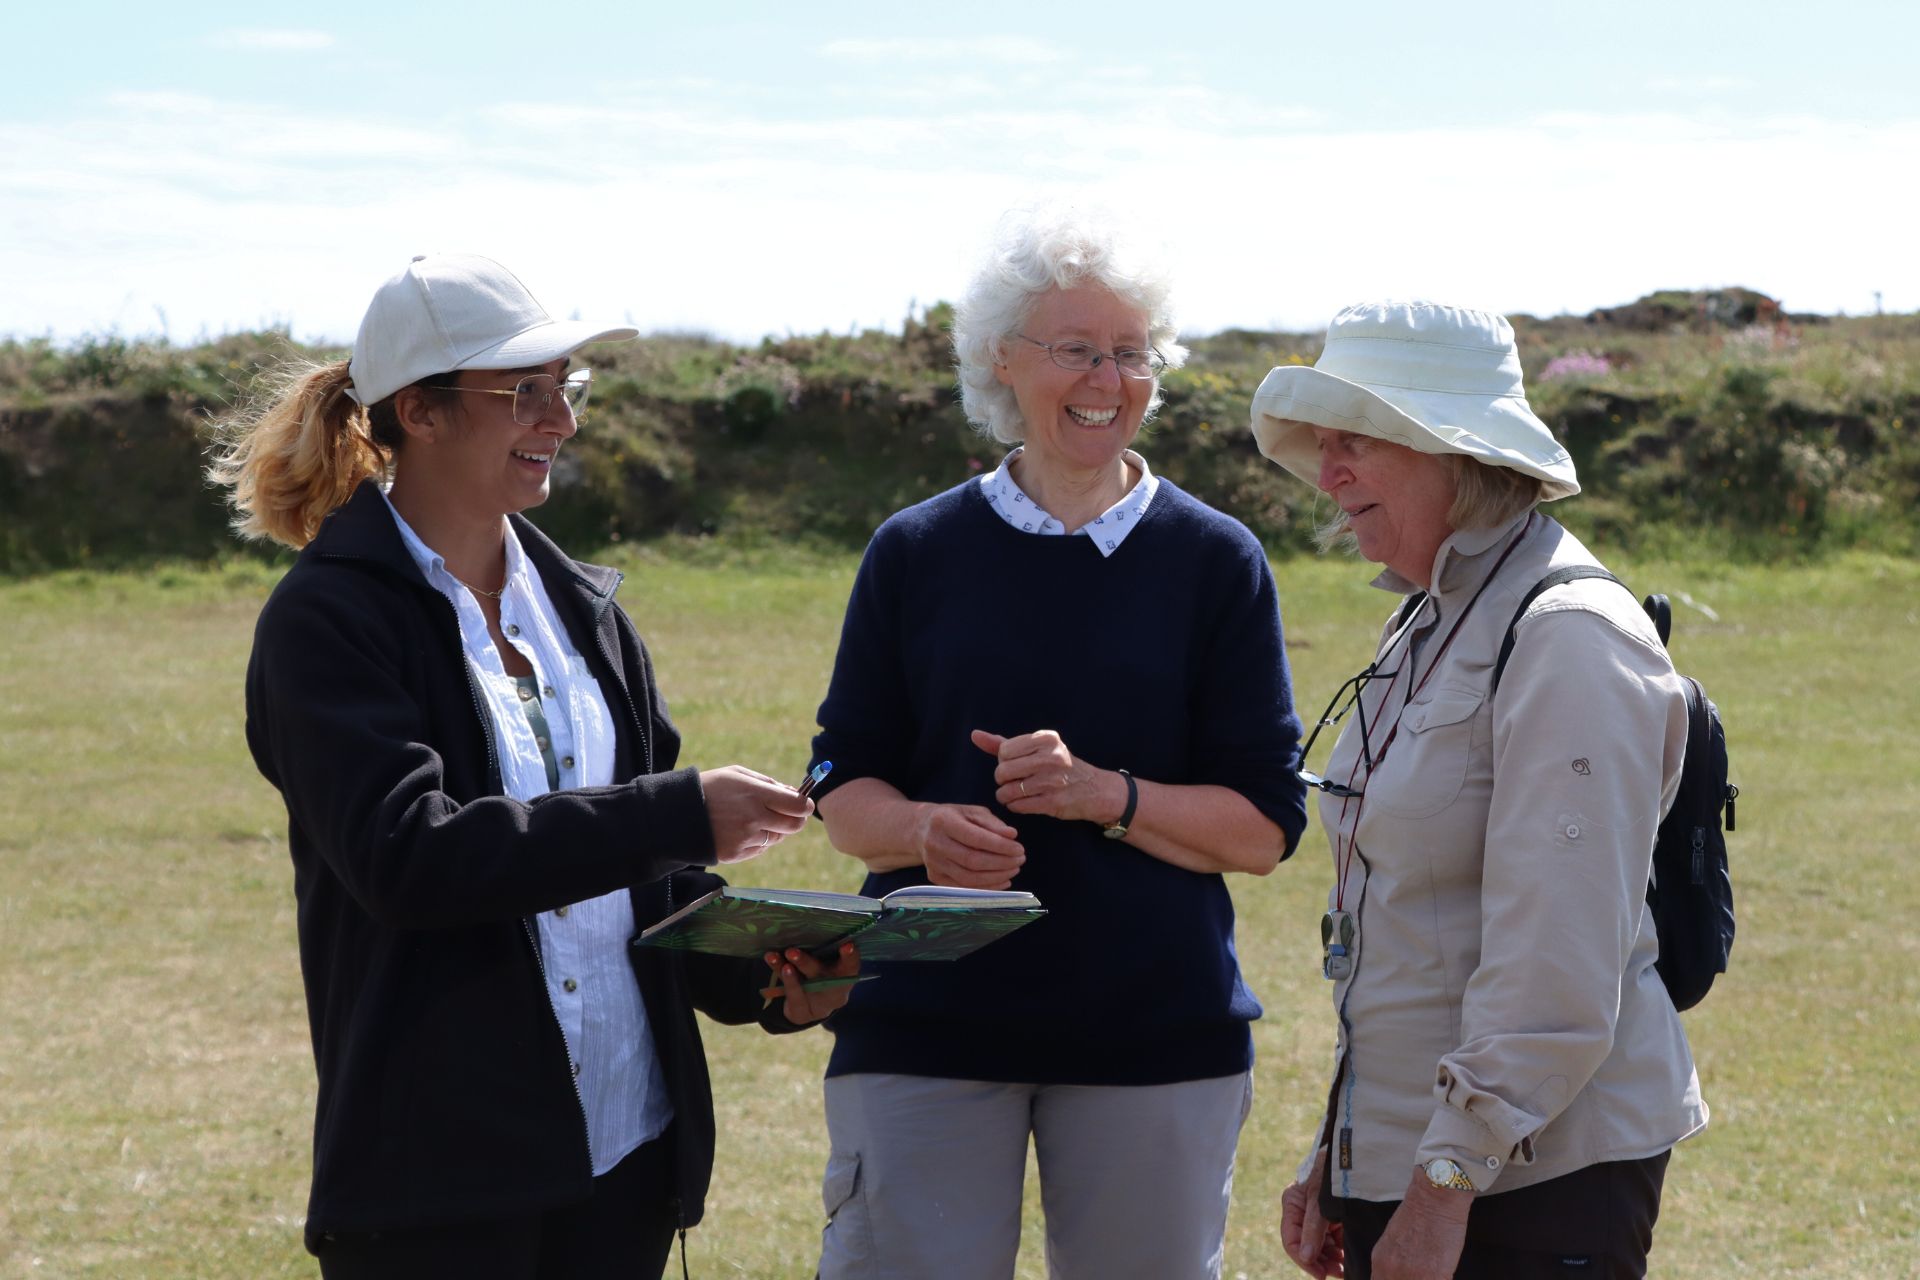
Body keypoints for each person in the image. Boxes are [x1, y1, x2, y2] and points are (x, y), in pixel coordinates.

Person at [209, 253, 856, 1279]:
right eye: (526, 391)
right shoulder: (326, 620)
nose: (561, 418)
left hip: (625, 1159)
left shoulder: (587, 613)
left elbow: (646, 884)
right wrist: (677, 812)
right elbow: (408, 858)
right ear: (419, 412)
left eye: (568, 388)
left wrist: (764, 977)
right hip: (439, 1189)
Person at [804, 207, 1309, 1280]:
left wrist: (1106, 795)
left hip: (1153, 1039)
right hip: (924, 1029)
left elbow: (1265, 829)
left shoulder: (1217, 560)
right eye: (1077, 348)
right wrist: (923, 828)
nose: (1108, 377)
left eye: (1131, 352)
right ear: (1001, 360)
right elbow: (843, 783)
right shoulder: (915, 550)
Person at [1249, 301, 1708, 1280]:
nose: (1327, 475)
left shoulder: (1567, 632)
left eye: (1355, 444)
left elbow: (1556, 954)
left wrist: (1440, 1185)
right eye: (1321, 445)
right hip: (1429, 1162)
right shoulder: (1430, 618)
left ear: (1447, 449)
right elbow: (1399, 924)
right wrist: (1345, 1146)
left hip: (1536, 1182)